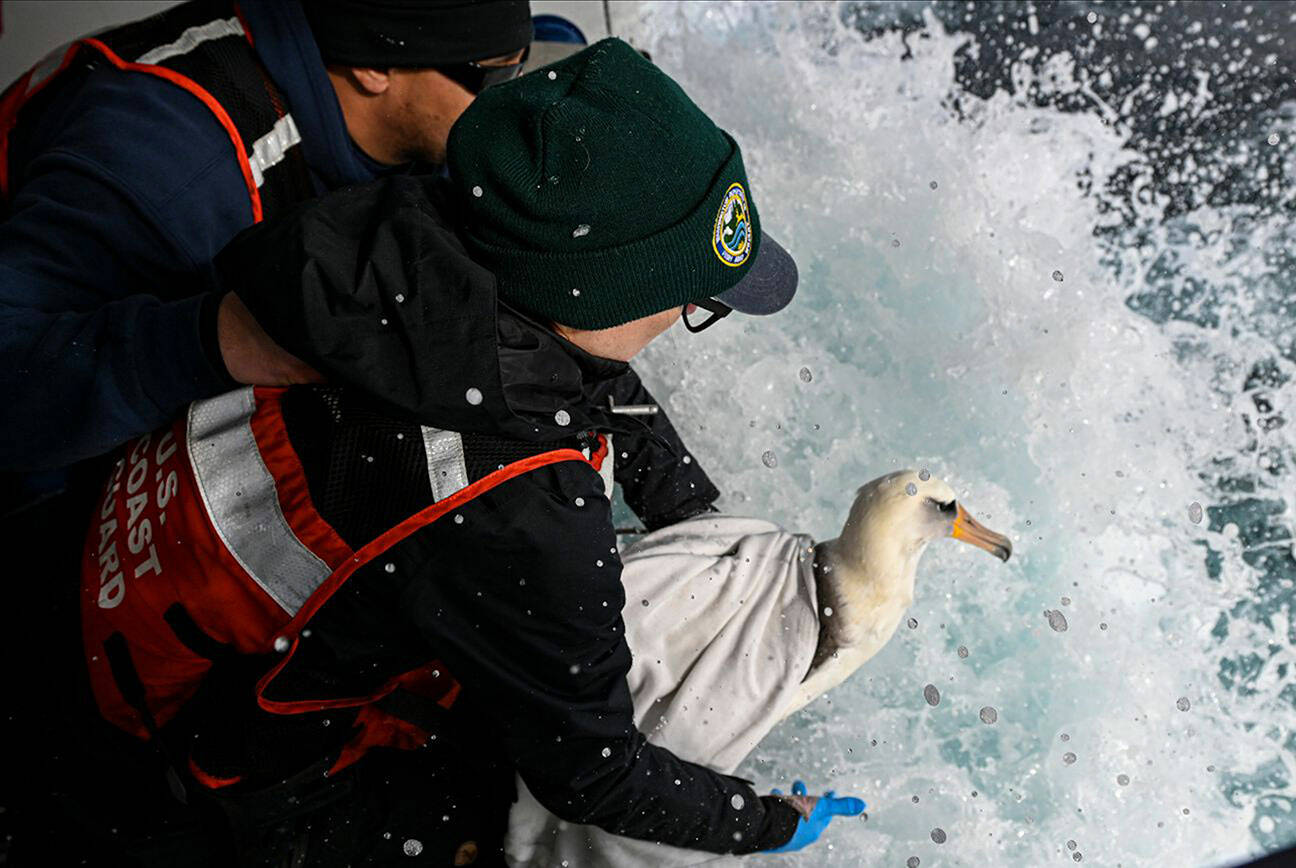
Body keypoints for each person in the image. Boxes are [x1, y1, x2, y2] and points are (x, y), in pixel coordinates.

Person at [73, 38, 866, 866]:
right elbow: (594, 775)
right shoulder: (519, 511)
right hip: (200, 763)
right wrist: (767, 819)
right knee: (501, 819)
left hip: (111, 587)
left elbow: (571, 376)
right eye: (693, 301)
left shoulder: (390, 239)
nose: (683, 319)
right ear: (603, 290)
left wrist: (693, 513)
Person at [0, 0, 580, 861]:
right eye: (491, 82)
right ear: (377, 69)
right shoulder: (170, 170)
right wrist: (217, 339)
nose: (507, 102)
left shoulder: (365, 73)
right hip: (44, 512)